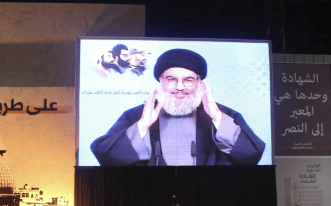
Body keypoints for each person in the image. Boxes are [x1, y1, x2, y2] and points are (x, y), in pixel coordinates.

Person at [91, 48, 265, 166]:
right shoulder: (136, 116)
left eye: (188, 80)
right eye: (171, 79)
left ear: (200, 83)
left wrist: (217, 118)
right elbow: (104, 155)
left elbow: (253, 154)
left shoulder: (224, 114)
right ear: (161, 81)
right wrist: (142, 127)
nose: (180, 87)